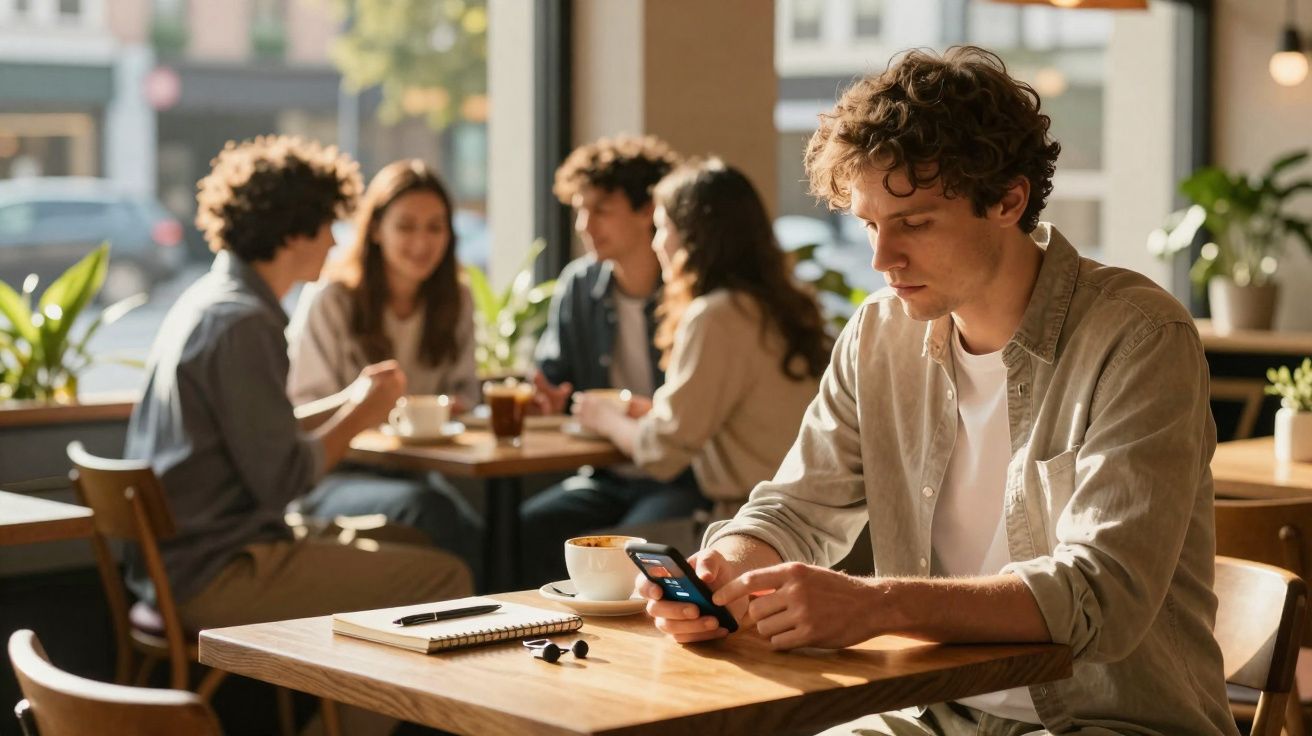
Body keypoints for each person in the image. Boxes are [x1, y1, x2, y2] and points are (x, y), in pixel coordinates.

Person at [640, 47, 1237, 735]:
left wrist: (877, 605)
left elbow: (1101, 594)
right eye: (868, 224)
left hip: (1109, 721)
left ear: (1008, 200)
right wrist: (723, 569)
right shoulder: (878, 337)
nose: (881, 259)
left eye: (915, 223)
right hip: (935, 713)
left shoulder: (1137, 337)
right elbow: (797, 507)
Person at [125, 136, 471, 633]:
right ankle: (341, 714)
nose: (333, 242)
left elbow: (261, 427)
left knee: (416, 538)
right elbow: (285, 479)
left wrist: (351, 398)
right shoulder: (244, 325)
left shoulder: (209, 301)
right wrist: (360, 415)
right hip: (221, 568)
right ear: (292, 232)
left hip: (183, 561)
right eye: (327, 225)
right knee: (446, 579)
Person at [571, 157, 830, 535]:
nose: (656, 243)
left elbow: (662, 453)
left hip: (761, 524)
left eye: (661, 229)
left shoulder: (716, 316)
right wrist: (660, 412)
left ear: (691, 238)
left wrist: (603, 418)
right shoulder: (778, 306)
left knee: (598, 549)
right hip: (808, 518)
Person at [519, 135, 702, 587]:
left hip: (680, 478)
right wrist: (549, 398)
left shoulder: (692, 293)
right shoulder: (579, 286)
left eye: (600, 209)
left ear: (647, 211)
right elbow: (558, 381)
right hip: (606, 475)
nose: (583, 224)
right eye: (580, 209)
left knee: (627, 545)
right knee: (529, 524)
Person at [287, 159, 483, 581]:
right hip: (334, 478)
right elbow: (304, 408)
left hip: (418, 472)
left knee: (484, 526)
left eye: (435, 227)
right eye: (406, 226)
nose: (422, 242)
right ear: (375, 229)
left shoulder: (456, 302)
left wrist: (457, 404)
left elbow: (466, 389)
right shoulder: (331, 300)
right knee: (438, 514)